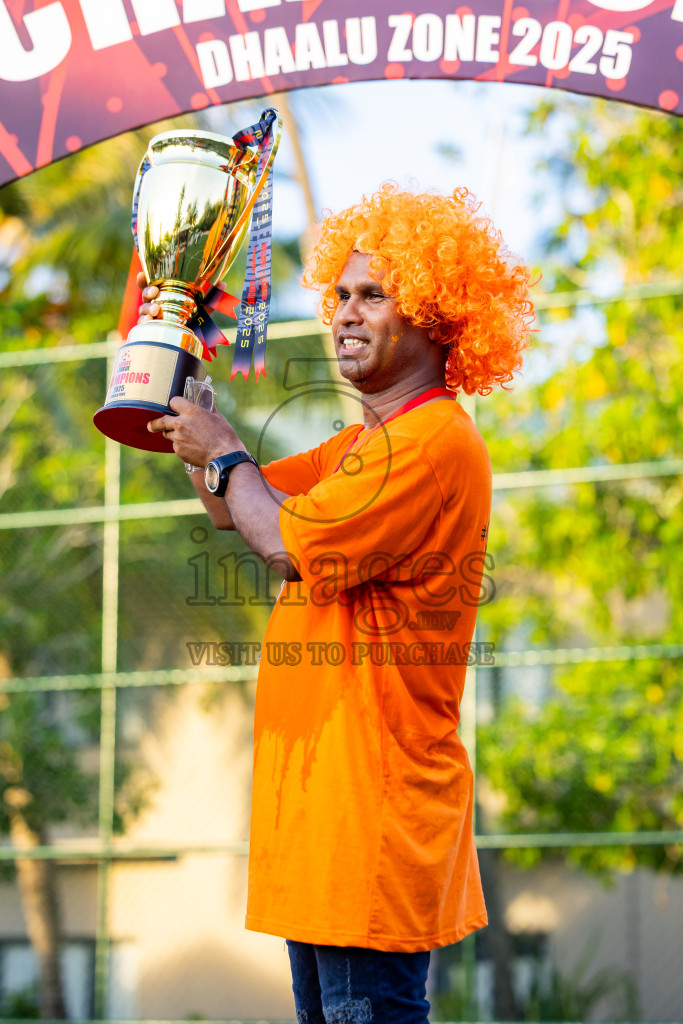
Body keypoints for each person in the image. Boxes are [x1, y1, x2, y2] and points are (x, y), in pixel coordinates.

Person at [143, 183, 535, 1024]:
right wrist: (189, 412)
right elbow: (232, 503)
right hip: (328, 833)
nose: (345, 314)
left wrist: (226, 459)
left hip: (368, 831)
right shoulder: (363, 442)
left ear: (435, 315)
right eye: (339, 296)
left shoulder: (430, 443)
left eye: (373, 295)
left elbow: (286, 543)